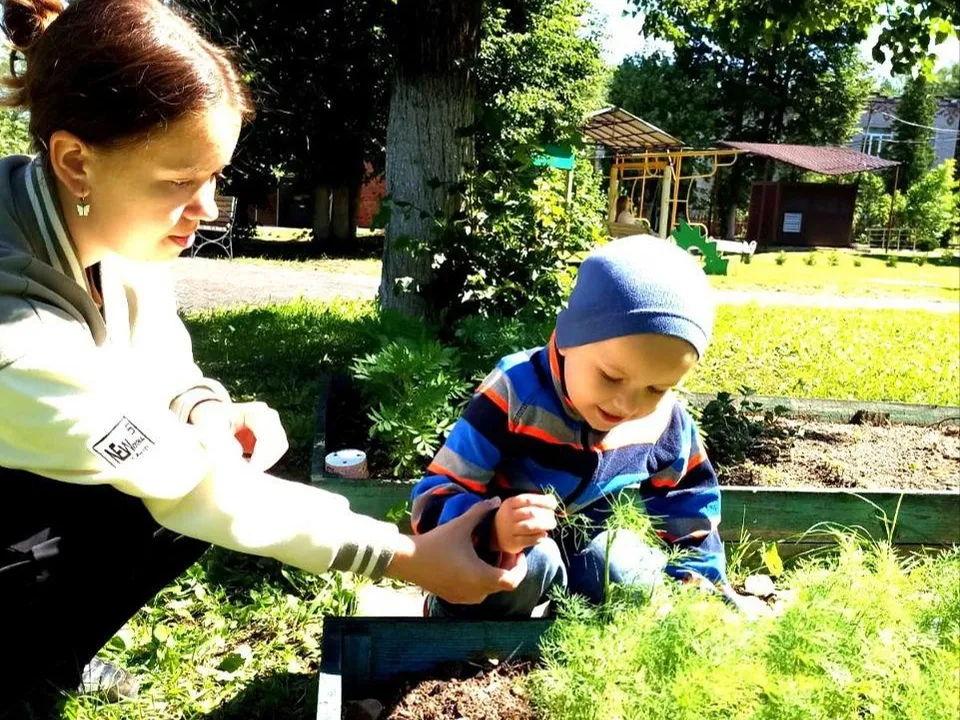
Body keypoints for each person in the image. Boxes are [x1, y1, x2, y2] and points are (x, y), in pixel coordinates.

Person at [0, 0, 523, 713]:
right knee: (180, 493)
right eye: (179, 183)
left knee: (192, 473)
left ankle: (54, 652)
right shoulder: (14, 330)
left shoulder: (99, 219)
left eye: (214, 174)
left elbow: (159, 356)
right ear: (75, 160)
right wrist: (409, 559)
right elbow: (188, 484)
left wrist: (205, 406)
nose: (209, 207)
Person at [411, 237, 752, 618]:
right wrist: (492, 527)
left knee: (626, 572)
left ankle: (567, 631)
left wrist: (698, 581)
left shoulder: (663, 420)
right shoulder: (516, 393)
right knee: (529, 566)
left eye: (657, 388)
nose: (626, 405)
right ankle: (448, 618)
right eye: (609, 376)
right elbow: (432, 496)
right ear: (570, 337)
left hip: (589, 542)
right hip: (505, 547)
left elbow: (689, 504)